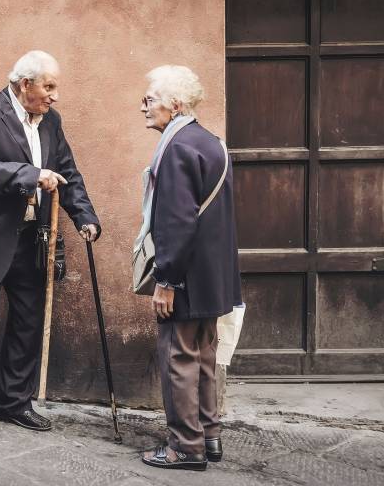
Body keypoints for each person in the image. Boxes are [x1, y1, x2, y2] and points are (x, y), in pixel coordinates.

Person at [0, 50, 101, 438]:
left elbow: (67, 172)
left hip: (31, 239)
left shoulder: (52, 122)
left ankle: (14, 402)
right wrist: (31, 175)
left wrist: (85, 217)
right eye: (49, 86)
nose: (55, 95)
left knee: (28, 324)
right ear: (24, 83)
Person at [136, 65, 241, 471]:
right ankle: (209, 436)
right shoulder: (212, 142)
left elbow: (177, 221)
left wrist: (167, 280)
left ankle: (185, 447)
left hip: (186, 277)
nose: (143, 106)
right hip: (212, 277)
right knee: (203, 356)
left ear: (174, 104)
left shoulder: (177, 147)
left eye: (150, 99)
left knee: (179, 357)